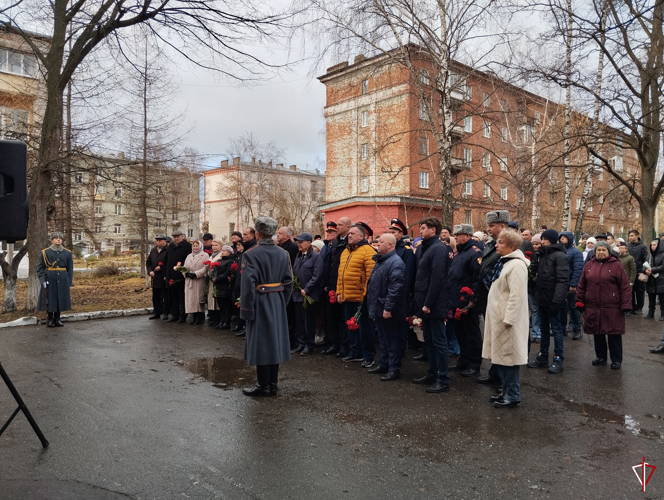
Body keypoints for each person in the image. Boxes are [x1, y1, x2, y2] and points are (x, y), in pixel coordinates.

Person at [240, 216, 294, 397]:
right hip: (277, 300)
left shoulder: (250, 254)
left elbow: (248, 285)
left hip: (260, 301)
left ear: (257, 233)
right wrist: (281, 301)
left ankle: (264, 385)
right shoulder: (282, 253)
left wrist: (246, 309)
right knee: (275, 342)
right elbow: (288, 281)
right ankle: (272, 383)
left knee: (262, 342)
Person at [482, 229, 530, 408]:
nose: (496, 244)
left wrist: (508, 319)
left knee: (509, 359)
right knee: (501, 358)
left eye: (501, 242)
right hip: (499, 319)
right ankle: (505, 391)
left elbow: (516, 296)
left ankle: (513, 395)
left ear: (511, 246)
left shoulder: (516, 265)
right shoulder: (506, 262)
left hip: (506, 321)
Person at [575, 241, 632, 369]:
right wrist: (579, 301)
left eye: (603, 250)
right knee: (597, 331)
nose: (601, 252)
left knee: (613, 333)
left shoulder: (617, 265)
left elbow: (625, 286)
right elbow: (582, 285)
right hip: (593, 305)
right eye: (598, 250)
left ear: (608, 251)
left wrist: (626, 304)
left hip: (612, 306)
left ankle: (616, 359)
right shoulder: (589, 265)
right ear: (595, 252)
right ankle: (601, 357)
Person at [412, 217, 452, 393]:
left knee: (439, 342)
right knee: (428, 340)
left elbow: (437, 278)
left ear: (433, 230)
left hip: (434, 303)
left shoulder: (438, 249)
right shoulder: (424, 248)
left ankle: (443, 379)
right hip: (425, 302)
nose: (420, 231)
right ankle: (432, 373)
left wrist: (428, 303)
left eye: (423, 228)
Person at [366, 233, 406, 380]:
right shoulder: (381, 261)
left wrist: (388, 308)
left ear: (390, 245)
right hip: (379, 306)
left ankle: (394, 368)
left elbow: (395, 288)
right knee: (383, 338)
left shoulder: (395, 262)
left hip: (388, 309)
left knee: (392, 339)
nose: (377, 244)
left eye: (381, 242)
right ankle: (384, 364)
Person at [528, 229, 569, 374]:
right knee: (544, 328)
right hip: (542, 298)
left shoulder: (559, 256)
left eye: (545, 239)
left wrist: (556, 302)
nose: (543, 242)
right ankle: (542, 355)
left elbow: (562, 280)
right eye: (542, 239)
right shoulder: (541, 255)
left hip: (553, 300)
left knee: (556, 329)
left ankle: (558, 358)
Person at [336, 224, 377, 367]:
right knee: (350, 327)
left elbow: (371, 278)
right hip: (347, 296)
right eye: (349, 233)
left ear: (361, 236)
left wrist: (366, 296)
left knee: (364, 329)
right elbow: (340, 275)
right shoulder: (345, 252)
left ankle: (368, 356)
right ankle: (355, 353)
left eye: (353, 233)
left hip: (361, 298)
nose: (349, 236)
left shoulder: (368, 251)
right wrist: (339, 292)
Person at [477, 210, 510, 385]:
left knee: (503, 339)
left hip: (501, 297)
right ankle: (495, 373)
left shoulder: (511, 245)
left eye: (491, 225)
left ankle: (505, 381)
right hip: (489, 295)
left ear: (502, 226)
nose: (488, 228)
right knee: (494, 337)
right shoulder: (491, 244)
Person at [448, 223, 484, 377]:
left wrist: (472, 300)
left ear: (468, 236)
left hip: (467, 301)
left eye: (459, 234)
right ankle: (463, 360)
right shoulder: (460, 252)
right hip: (456, 299)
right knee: (460, 332)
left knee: (471, 333)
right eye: (455, 235)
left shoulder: (474, 252)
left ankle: (474, 363)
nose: (455, 237)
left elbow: (477, 279)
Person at [322, 217, 352, 356]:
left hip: (344, 287)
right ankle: (334, 343)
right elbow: (330, 264)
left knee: (342, 318)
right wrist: (327, 284)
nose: (337, 227)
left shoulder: (349, 242)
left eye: (340, 225)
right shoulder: (335, 243)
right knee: (331, 316)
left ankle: (344, 346)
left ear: (348, 227)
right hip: (333, 285)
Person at [291, 233, 323, 355]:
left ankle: (309, 344)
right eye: (298, 242)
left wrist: (307, 289)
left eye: (301, 242)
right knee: (299, 321)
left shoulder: (315, 257)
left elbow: (317, 276)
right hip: (298, 294)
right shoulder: (299, 256)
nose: (299, 244)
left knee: (308, 321)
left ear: (309, 243)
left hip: (308, 295)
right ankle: (301, 343)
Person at [388, 218, 416, 351]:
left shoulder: (406, 250)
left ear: (400, 234)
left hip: (400, 293)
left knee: (399, 324)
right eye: (390, 232)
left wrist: (404, 294)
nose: (391, 234)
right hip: (388, 292)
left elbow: (408, 274)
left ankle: (400, 349)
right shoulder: (388, 249)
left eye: (394, 232)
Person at [37, 232, 74, 327]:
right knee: (50, 298)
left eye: (60, 238)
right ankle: (50, 319)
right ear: (51, 240)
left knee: (60, 298)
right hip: (50, 278)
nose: (58, 239)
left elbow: (70, 268)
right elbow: (40, 268)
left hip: (63, 278)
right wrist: (43, 280)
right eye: (56, 238)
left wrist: (69, 282)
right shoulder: (45, 252)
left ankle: (57, 318)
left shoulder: (67, 253)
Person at [231, 227, 257, 335]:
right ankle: (243, 326)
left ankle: (248, 329)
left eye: (246, 234)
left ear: (253, 235)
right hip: (241, 282)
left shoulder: (253, 249)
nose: (243, 237)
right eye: (243, 234)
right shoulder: (245, 249)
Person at [559, 231, 584, 340]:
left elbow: (578, 269)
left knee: (573, 307)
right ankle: (562, 328)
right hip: (561, 284)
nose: (562, 239)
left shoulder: (576, 252)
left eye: (565, 237)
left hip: (571, 284)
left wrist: (574, 284)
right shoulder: (559, 251)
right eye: (561, 237)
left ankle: (577, 329)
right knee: (562, 307)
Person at [164, 230, 192, 323]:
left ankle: (183, 316)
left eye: (178, 236)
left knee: (181, 297)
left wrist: (184, 270)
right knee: (172, 297)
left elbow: (189, 260)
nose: (176, 238)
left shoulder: (187, 246)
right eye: (174, 237)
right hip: (170, 275)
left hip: (181, 275)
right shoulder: (171, 246)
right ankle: (174, 315)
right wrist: (165, 274)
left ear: (182, 236)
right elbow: (166, 261)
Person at [182, 239, 208, 325]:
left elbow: (206, 267)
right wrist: (186, 273)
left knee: (198, 299)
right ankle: (193, 316)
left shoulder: (205, 255)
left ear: (200, 246)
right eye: (194, 246)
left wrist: (196, 274)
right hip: (189, 281)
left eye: (197, 246)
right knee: (191, 299)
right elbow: (184, 267)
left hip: (199, 280)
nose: (195, 247)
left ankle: (200, 316)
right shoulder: (189, 256)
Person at [212, 244, 236, 329]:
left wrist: (217, 279)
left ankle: (226, 321)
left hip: (225, 285)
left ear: (229, 252)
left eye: (224, 251)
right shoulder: (220, 260)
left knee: (226, 305)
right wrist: (212, 277)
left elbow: (228, 273)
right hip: (218, 285)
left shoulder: (231, 261)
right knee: (221, 305)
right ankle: (221, 321)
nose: (222, 252)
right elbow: (214, 270)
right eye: (222, 250)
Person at [146, 235, 169, 320]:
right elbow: (148, 263)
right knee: (155, 296)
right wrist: (150, 271)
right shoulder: (153, 250)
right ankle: (156, 312)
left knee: (165, 296)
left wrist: (162, 268)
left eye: (159, 241)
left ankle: (166, 313)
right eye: (157, 241)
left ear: (164, 241)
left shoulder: (167, 250)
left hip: (163, 277)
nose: (158, 242)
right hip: (155, 277)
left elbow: (169, 263)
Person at [204, 239, 225, 327]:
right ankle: (214, 319)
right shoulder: (211, 255)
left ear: (221, 246)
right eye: (213, 245)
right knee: (211, 301)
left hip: (217, 280)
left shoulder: (221, 255)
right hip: (210, 279)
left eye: (216, 245)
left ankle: (219, 320)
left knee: (217, 301)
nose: (214, 247)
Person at [628, 229, 648, 314]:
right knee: (631, 290)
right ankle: (632, 306)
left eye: (632, 235)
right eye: (629, 236)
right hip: (630, 273)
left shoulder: (642, 247)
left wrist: (642, 271)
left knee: (640, 291)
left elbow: (645, 259)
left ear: (637, 236)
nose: (630, 237)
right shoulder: (628, 246)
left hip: (639, 272)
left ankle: (639, 307)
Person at [644, 238, 664, 320]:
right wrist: (645, 270)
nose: (652, 247)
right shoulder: (649, 255)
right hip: (651, 280)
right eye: (651, 245)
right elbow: (644, 264)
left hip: (661, 280)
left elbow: (663, 266)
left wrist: (652, 270)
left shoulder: (663, 254)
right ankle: (650, 313)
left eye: (654, 245)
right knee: (651, 298)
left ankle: (663, 314)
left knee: (662, 299)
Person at [529, 233, 542, 343]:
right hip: (531, 287)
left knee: (539, 310)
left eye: (538, 244)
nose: (535, 246)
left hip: (541, 287)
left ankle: (539, 332)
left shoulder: (544, 256)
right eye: (533, 244)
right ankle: (535, 332)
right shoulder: (529, 256)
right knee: (534, 310)